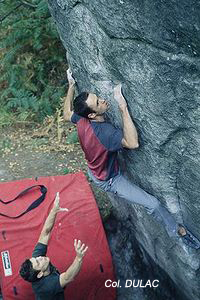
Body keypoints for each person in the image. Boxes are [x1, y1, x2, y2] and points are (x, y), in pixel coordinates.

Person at [63, 68, 200, 250]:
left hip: (95, 168)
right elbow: (132, 143)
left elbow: (66, 114)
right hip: (109, 180)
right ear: (92, 115)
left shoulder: (80, 119)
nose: (103, 100)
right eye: (98, 102)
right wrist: (122, 107)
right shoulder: (105, 134)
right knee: (153, 203)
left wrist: (71, 85)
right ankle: (178, 231)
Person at [19, 192, 88, 299]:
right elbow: (68, 277)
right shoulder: (47, 287)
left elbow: (45, 233)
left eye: (35, 258)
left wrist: (54, 211)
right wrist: (79, 257)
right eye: (38, 262)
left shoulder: (37, 260)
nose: (39, 257)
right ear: (40, 274)